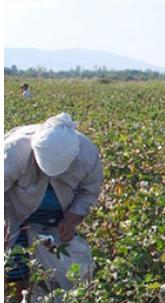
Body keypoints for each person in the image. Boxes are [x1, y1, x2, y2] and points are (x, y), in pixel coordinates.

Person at [4, 113, 102, 290]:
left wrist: (72, 217)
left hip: (58, 218)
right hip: (14, 213)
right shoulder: (12, 151)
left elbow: (89, 191)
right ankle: (17, 299)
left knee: (66, 267)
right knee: (13, 263)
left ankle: (46, 300)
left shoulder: (87, 154)